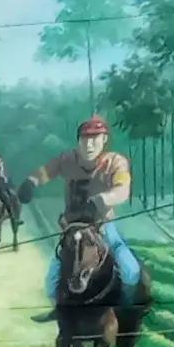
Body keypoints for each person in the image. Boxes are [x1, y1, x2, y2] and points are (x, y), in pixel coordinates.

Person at [64, 114, 143, 305]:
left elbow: (123, 189)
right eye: (85, 139)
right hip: (74, 227)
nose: (89, 144)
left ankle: (125, 309)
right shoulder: (71, 163)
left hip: (104, 225)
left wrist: (101, 199)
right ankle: (60, 310)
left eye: (95, 139)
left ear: (104, 140)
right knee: (51, 279)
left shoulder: (116, 163)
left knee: (131, 271)